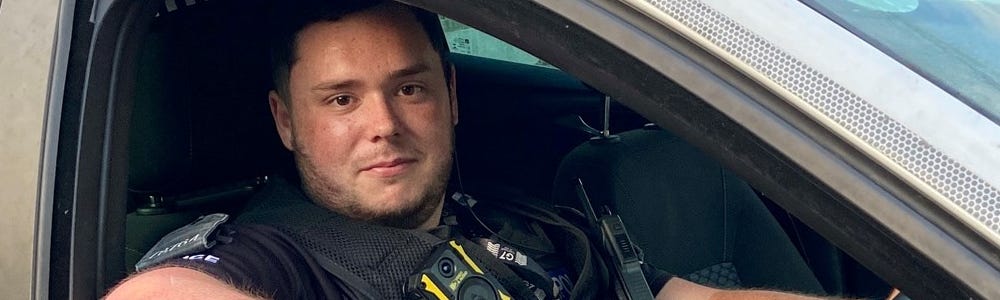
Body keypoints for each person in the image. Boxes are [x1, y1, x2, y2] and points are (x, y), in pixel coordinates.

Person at [107, 1, 831, 299]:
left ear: (451, 96)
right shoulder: (278, 257)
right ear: (286, 121)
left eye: (410, 89)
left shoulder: (512, 220)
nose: (383, 123)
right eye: (340, 100)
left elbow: (678, 296)